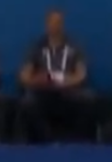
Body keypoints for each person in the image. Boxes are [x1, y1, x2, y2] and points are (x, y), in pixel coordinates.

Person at [18, 10, 94, 142]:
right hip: (44, 92)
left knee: (88, 99)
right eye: (51, 22)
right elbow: (24, 76)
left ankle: (79, 143)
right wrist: (38, 80)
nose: (54, 26)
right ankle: (45, 141)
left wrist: (65, 82)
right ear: (46, 24)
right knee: (28, 102)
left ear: (62, 24)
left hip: (68, 90)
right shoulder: (37, 47)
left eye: (58, 22)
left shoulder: (74, 46)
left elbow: (81, 74)